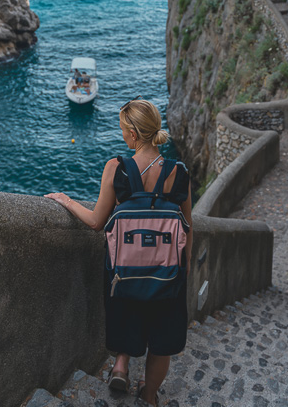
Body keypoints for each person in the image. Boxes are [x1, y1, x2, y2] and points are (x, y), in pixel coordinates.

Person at [45, 97, 193, 407]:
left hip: (123, 273)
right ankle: (149, 397)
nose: (122, 134)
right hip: (169, 274)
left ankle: (121, 366)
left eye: (124, 129)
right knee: (162, 345)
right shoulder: (179, 172)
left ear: (135, 134)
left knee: (127, 323)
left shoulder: (117, 167)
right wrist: (184, 272)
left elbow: (98, 221)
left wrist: (67, 201)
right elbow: (187, 229)